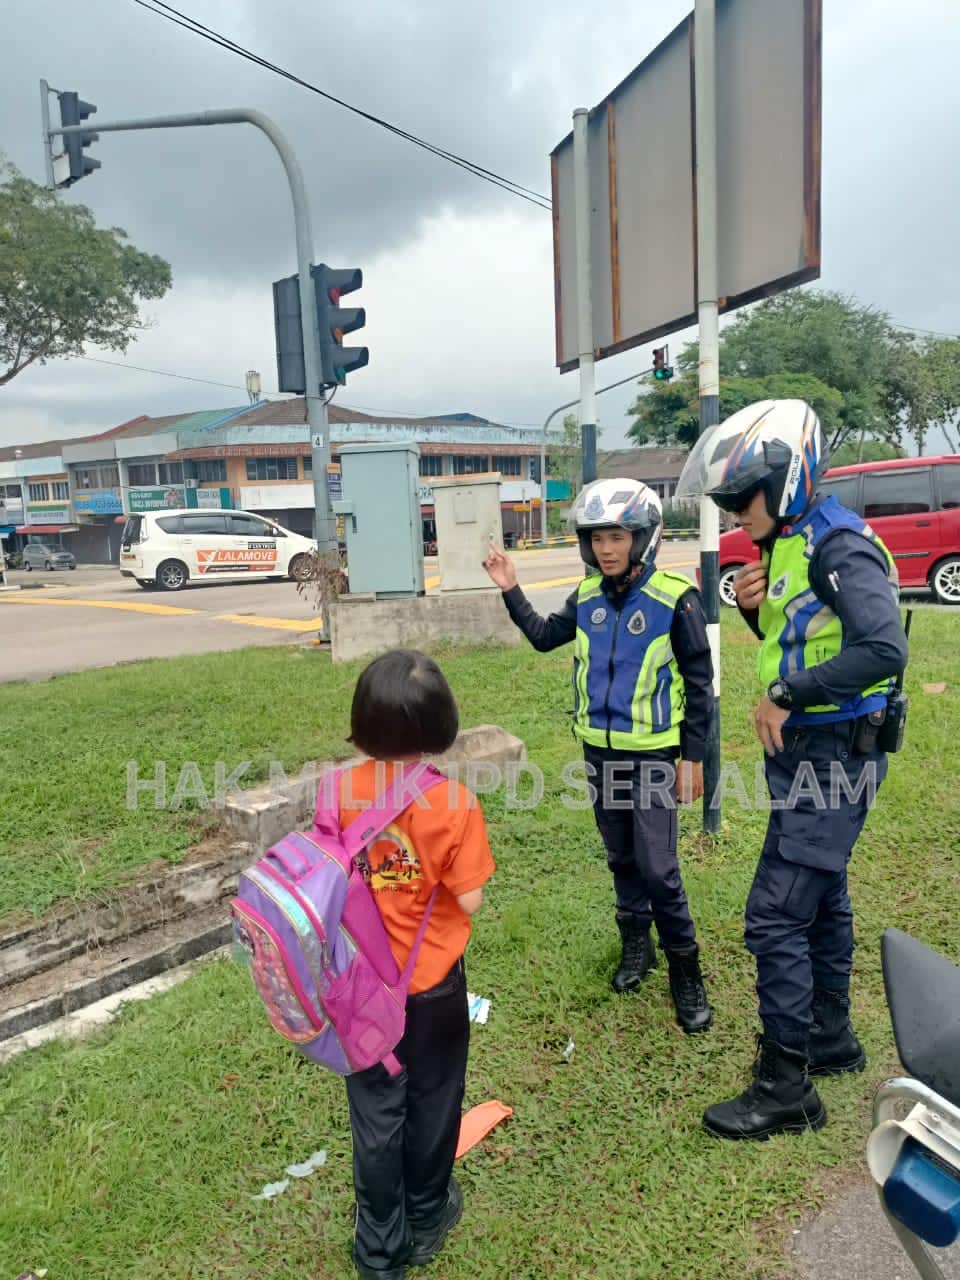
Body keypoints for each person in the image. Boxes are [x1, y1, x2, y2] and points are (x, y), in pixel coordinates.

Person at [676, 399, 909, 1141]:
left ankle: (786, 1088)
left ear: (785, 479)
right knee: (823, 896)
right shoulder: (794, 539)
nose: (734, 514)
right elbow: (810, 641)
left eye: (740, 498)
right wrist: (752, 613)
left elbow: (881, 649)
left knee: (775, 913)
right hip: (815, 752)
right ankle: (830, 1038)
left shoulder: (837, 546)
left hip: (836, 755)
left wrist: (783, 694)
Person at [483, 478, 714, 1034]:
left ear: (642, 538)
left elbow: (701, 683)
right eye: (596, 538)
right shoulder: (585, 598)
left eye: (616, 536)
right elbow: (542, 636)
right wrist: (511, 589)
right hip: (600, 755)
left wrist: (695, 757)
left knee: (660, 869)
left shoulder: (675, 599)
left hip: (655, 756)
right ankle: (638, 948)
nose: (606, 549)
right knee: (621, 860)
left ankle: (687, 969)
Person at [333, 649, 496, 1279]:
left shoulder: (338, 789)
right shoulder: (452, 803)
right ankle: (427, 1212)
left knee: (376, 1112)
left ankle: (378, 1248)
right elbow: (471, 896)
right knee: (433, 1100)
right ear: (439, 724)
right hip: (430, 986)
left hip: (359, 988)